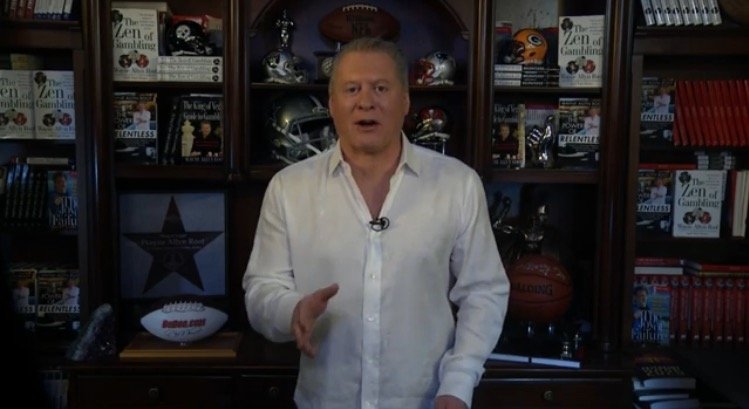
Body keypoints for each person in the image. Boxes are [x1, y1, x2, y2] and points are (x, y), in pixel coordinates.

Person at [243, 37, 509, 409]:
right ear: (332, 104)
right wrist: (292, 310)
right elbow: (261, 288)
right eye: (352, 89)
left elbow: (484, 292)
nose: (365, 101)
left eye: (380, 88)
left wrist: (459, 381)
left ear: (405, 101)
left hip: (428, 401)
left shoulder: (457, 184)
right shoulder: (289, 188)